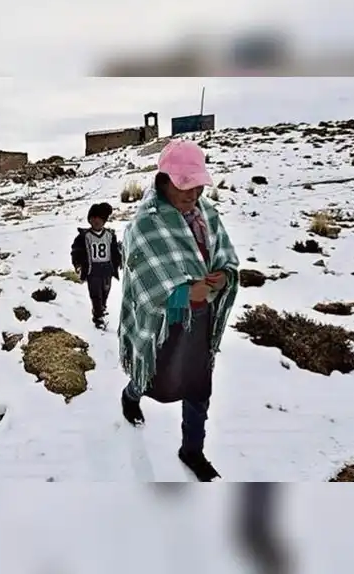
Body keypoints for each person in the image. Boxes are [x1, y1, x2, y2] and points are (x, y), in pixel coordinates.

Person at [117, 139, 240, 481]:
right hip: (165, 322)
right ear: (164, 181)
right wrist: (184, 292)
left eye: (197, 183)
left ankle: (192, 450)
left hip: (201, 321)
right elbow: (145, 285)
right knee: (155, 373)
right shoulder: (146, 224)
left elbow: (225, 257)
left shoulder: (207, 214)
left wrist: (221, 278)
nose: (192, 192)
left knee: (199, 386)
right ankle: (131, 394)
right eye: (184, 184)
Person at [71, 202, 123, 329]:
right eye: (93, 218)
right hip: (92, 269)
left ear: (104, 221)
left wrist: (119, 261)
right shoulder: (84, 236)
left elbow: (115, 251)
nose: (96, 221)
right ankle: (98, 316)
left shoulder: (110, 235)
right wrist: (78, 264)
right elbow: (76, 251)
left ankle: (102, 307)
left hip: (107, 268)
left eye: (99, 218)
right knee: (95, 294)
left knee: (105, 291)